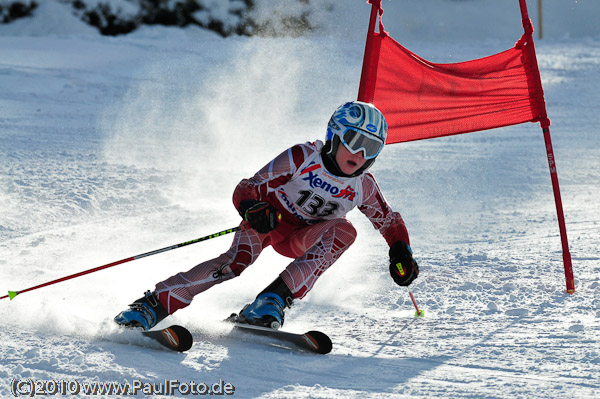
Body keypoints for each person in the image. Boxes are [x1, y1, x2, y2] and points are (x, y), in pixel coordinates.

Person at [114, 101, 419, 331]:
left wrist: (400, 251)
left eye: (372, 147)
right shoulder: (302, 157)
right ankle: (153, 304)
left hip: (302, 238)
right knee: (236, 263)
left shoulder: (363, 185)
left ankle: (270, 300)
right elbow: (248, 187)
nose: (361, 154)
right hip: (267, 222)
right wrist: (252, 208)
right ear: (335, 135)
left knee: (345, 231)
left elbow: (388, 221)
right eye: (354, 141)